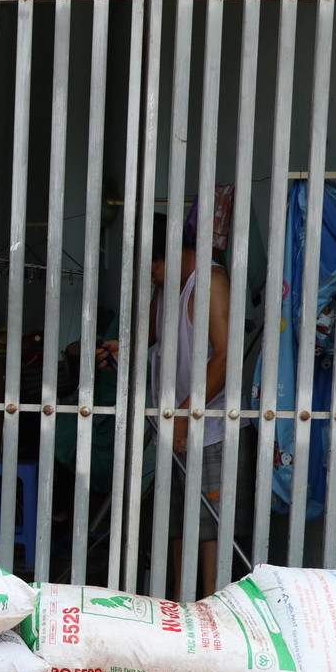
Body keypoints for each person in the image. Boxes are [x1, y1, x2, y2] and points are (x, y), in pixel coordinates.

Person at [101, 217, 231, 597]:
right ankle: (177, 601)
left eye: (154, 266)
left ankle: (211, 606)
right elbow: (155, 336)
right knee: (177, 521)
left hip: (208, 428)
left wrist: (188, 414)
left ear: (173, 254)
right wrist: (122, 347)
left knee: (209, 528)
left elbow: (224, 357)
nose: (152, 276)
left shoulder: (210, 284)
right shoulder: (167, 288)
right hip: (174, 424)